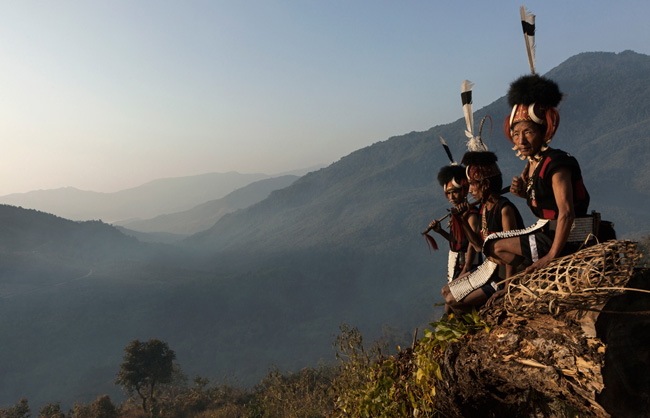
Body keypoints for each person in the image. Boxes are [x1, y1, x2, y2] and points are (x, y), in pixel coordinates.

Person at [484, 74, 590, 301]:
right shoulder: (535, 164)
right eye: (515, 134)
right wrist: (524, 195)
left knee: (496, 245)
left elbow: (566, 213)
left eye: (528, 132)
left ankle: (526, 278)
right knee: (492, 245)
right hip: (547, 232)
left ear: (544, 133)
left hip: (566, 236)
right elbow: (545, 208)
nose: (520, 140)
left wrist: (551, 256)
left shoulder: (557, 163)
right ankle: (520, 281)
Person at [441, 151, 525, 314]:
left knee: (452, 300)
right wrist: (463, 220)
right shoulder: (484, 209)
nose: (470, 189)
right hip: (489, 268)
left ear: (485, 185)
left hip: (503, 275)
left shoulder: (504, 209)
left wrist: (507, 286)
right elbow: (479, 247)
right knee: (446, 291)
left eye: (473, 184)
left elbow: (512, 253)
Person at [427, 164, 481, 314]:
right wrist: (440, 232)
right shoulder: (456, 214)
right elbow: (457, 241)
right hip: (456, 265)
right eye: (449, 193)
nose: (452, 197)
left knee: (452, 302)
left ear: (464, 191)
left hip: (469, 265)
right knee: (449, 303)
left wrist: (466, 269)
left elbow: (472, 244)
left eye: (455, 192)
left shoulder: (471, 214)